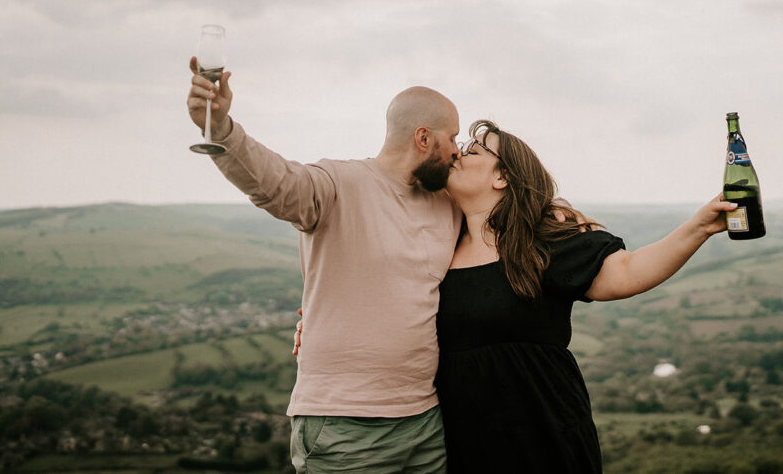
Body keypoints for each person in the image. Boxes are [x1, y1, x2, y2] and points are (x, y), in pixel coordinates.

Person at [186, 58, 463, 473]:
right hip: (344, 427)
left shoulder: (447, 204)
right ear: (424, 138)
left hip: (427, 423)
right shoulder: (337, 184)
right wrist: (222, 129)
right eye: (452, 138)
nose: (457, 151)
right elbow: (274, 184)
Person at [434, 119, 736, 474]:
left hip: (543, 438)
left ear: (501, 177)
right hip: (463, 445)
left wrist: (699, 227)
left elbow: (628, 272)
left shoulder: (541, 244)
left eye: (474, 148)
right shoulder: (437, 245)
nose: (459, 152)